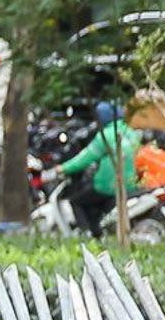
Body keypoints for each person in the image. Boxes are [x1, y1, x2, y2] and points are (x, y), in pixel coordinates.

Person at [56, 100, 143, 235]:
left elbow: (84, 159)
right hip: (131, 185)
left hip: (107, 185)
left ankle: (87, 234)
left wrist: (63, 168)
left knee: (76, 202)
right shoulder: (131, 132)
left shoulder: (105, 135)